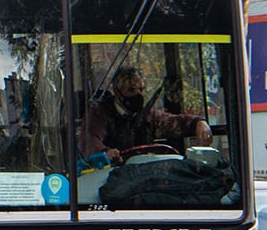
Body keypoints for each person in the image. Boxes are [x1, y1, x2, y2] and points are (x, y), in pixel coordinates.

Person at [83, 65, 212, 165]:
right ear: (117, 92)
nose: (138, 95)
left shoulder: (146, 115)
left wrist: (198, 122)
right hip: (108, 176)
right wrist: (106, 153)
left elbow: (171, 122)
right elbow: (90, 140)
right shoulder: (100, 113)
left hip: (143, 176)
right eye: (131, 90)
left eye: (141, 89)